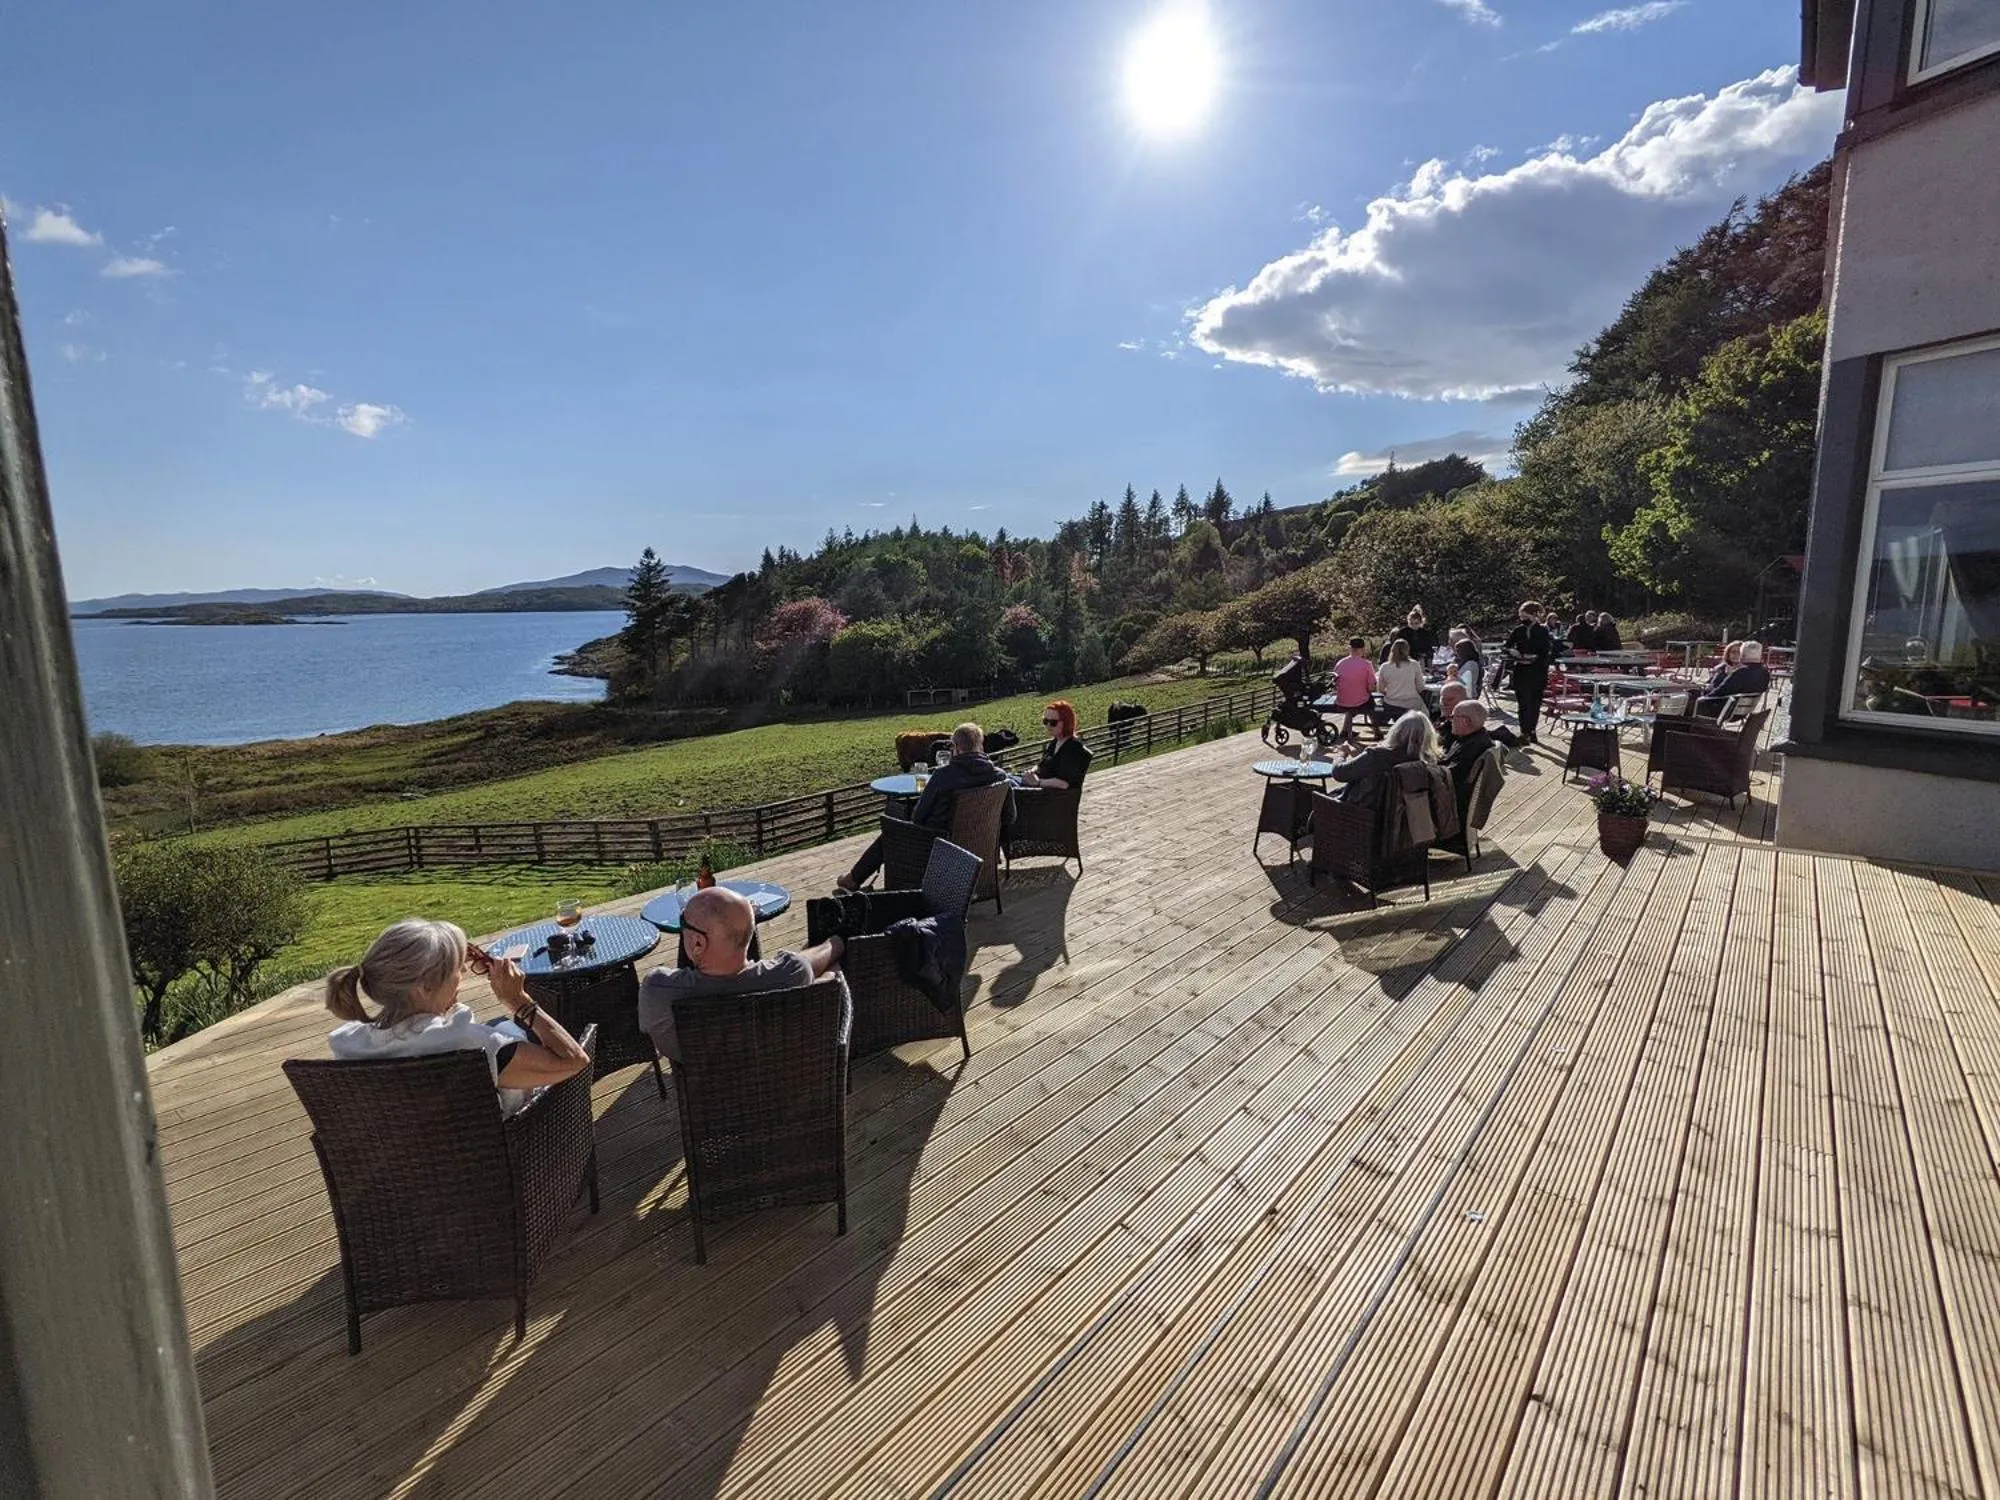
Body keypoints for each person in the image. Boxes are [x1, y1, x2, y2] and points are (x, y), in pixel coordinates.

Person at [324, 918, 590, 1116]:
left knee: (501, 1027)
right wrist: (518, 1001)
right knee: (508, 1029)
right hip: (495, 1170)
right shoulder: (471, 1046)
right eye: (457, 970)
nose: (461, 977)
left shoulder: (347, 1046)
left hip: (400, 1179)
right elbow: (574, 1062)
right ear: (425, 986)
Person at [638, 887, 848, 1064]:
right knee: (827, 968)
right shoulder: (788, 976)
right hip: (780, 1084)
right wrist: (836, 953)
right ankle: (840, 933)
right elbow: (805, 965)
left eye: (683, 921)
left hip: (708, 1097)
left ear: (698, 943)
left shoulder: (658, 992)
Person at [838, 721, 1016, 890]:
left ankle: (853, 879)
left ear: (956, 748)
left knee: (891, 833)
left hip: (940, 846)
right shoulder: (999, 776)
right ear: (981, 746)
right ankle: (854, 878)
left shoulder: (943, 776)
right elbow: (1010, 817)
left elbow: (918, 817)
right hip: (980, 845)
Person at [1326, 709, 1437, 807]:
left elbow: (1340, 773)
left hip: (1364, 811)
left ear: (1396, 731)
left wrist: (1342, 754)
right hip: (1404, 815)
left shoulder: (1378, 755)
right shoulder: (1428, 760)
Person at [1503, 600, 1556, 745]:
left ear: (1534, 615)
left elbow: (1547, 652)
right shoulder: (1518, 630)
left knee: (1535, 702)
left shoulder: (1543, 631)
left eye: (1525, 615)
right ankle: (1524, 731)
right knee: (1523, 702)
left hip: (1537, 671)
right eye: (1521, 616)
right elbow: (1506, 646)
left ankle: (1531, 730)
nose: (1522, 619)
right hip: (1521, 670)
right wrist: (1511, 651)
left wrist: (1535, 658)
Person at [1017, 699, 1090, 791]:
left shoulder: (1073, 749)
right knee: (1003, 778)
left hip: (1045, 794)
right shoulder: (1055, 742)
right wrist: (1032, 772)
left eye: (1053, 722)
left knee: (1004, 786)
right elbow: (1041, 765)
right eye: (1045, 721)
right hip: (1037, 787)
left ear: (1066, 723)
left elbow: (1064, 783)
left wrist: (1038, 782)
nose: (1048, 726)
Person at [1440, 700, 1496, 806]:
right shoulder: (1478, 738)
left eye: (1453, 717)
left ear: (1465, 721)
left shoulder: (1470, 748)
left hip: (1449, 802)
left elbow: (1449, 777)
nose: (1450, 720)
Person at [1697, 639, 1770, 716]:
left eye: (1740, 653)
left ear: (1743, 655)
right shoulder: (1765, 672)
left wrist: (1702, 699)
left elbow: (1720, 692)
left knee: (1688, 704)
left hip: (1723, 710)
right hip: (1741, 711)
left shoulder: (1741, 672)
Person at [1328, 637, 1380, 741]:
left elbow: (1335, 683)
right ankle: (1376, 731)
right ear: (1363, 649)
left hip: (1341, 702)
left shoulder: (1340, 663)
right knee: (1370, 702)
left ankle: (1345, 730)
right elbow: (1371, 687)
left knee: (1351, 701)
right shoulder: (1366, 664)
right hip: (1359, 702)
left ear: (1350, 648)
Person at [1377, 638, 1428, 716]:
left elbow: (1380, 689)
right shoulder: (1414, 664)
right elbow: (1420, 687)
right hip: (1411, 703)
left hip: (1391, 702)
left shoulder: (1384, 666)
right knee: (1425, 709)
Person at [1382, 606, 1438, 670]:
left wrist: (1426, 657)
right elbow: (1398, 647)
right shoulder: (1403, 632)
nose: (1413, 626)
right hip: (1406, 659)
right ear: (1408, 622)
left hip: (1423, 661)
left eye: (1416, 623)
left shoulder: (1425, 633)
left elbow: (1429, 648)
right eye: (1411, 623)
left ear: (1420, 622)